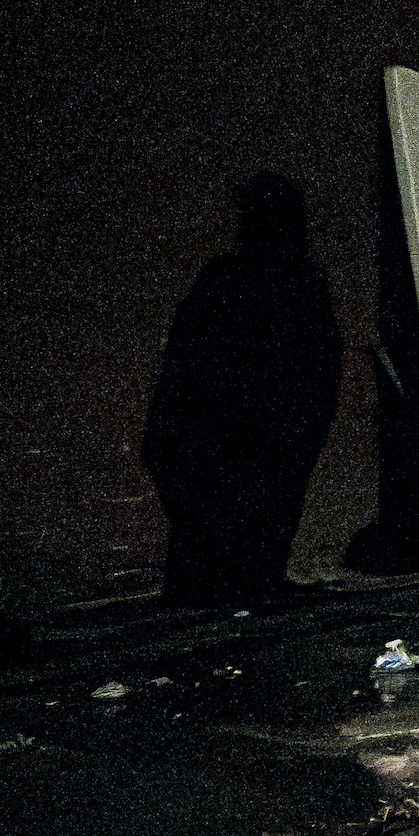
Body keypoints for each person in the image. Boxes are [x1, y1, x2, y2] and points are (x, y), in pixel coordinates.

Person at [141, 172, 343, 607]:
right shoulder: (278, 284)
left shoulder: (243, 281)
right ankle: (240, 587)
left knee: (213, 560)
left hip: (230, 440)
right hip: (234, 440)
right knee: (227, 552)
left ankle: (234, 589)